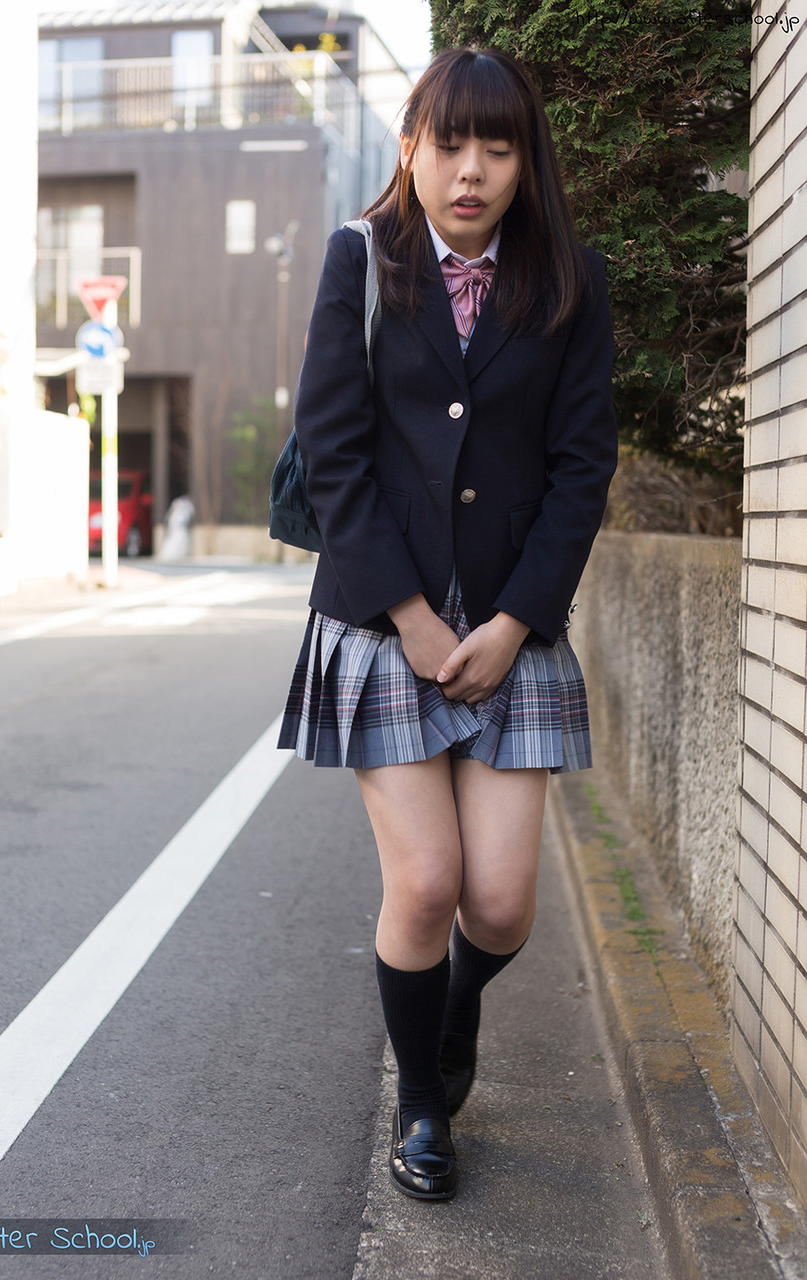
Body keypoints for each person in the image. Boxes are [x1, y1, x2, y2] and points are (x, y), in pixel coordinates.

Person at [278, 46, 618, 1201]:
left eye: (498, 146)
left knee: (502, 903)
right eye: (450, 142)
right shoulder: (361, 260)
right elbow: (334, 450)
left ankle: (451, 1005)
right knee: (426, 883)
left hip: (513, 623)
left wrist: (518, 617)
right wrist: (414, 618)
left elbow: (581, 467)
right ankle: (422, 1101)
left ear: (526, 161)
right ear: (411, 146)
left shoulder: (569, 279)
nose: (471, 170)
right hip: (385, 623)